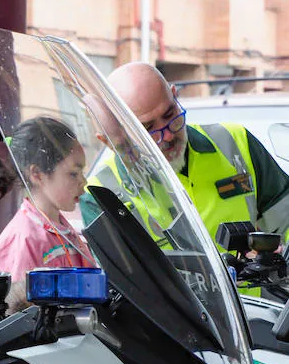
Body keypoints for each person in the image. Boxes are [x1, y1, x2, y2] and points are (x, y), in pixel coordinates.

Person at [103, 62, 289, 243]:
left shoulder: (236, 142)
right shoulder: (103, 191)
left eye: (170, 115)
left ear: (175, 96)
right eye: (148, 129)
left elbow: (285, 220)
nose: (167, 135)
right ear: (120, 134)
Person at [0, 116, 96, 312]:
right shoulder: (23, 241)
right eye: (73, 174)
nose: (83, 182)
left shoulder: (63, 230)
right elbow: (16, 318)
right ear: (37, 175)